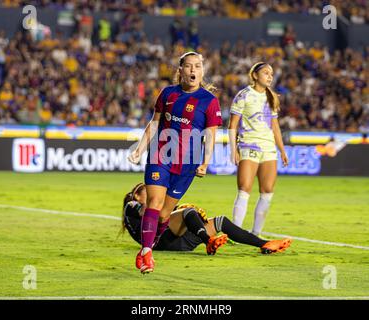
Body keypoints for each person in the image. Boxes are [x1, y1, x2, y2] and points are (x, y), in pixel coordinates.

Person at [128, 52, 222, 273]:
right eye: (188, 66)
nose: (192, 70)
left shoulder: (209, 101)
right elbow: (154, 123)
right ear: (180, 70)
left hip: (188, 163)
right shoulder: (168, 93)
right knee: (154, 203)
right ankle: (146, 253)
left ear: (202, 71)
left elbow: (210, 135)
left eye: (197, 66)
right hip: (160, 155)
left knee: (163, 214)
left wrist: (205, 162)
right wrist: (140, 149)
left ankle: (150, 246)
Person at [120, 183, 292, 262]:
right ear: (136, 195)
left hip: (179, 241)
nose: (154, 193)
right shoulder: (132, 205)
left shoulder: (154, 205)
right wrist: (180, 211)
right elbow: (150, 211)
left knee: (220, 222)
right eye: (148, 191)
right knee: (188, 212)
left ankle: (265, 244)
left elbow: (164, 214)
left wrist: (185, 215)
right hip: (160, 241)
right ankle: (208, 241)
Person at [228, 62, 289, 236]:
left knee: (267, 191)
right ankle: (235, 233)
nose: (270, 76)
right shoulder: (243, 95)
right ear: (255, 75)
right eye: (265, 73)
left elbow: (275, 126)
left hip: (269, 148)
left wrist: (282, 150)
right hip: (248, 145)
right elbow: (232, 125)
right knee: (244, 188)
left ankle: (256, 233)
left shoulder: (272, 97)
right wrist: (234, 150)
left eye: (271, 73)